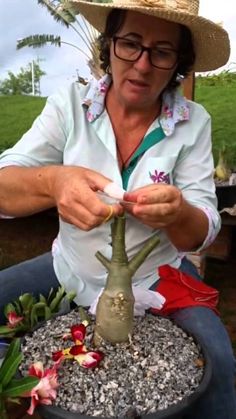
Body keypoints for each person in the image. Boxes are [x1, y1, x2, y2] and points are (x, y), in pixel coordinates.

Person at [0, 0, 235, 417]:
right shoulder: (70, 106)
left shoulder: (192, 122)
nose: (142, 65)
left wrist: (179, 212)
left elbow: (203, 227)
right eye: (130, 43)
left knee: (220, 364)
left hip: (159, 277)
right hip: (68, 269)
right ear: (108, 46)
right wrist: (54, 182)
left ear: (178, 63)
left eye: (161, 52)